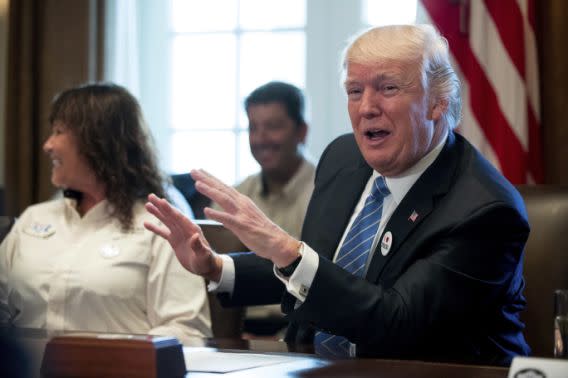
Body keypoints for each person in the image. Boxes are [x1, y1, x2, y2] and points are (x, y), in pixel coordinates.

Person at [144, 25, 530, 365]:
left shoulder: (484, 211)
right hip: (312, 364)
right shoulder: (344, 158)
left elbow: (395, 323)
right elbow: (321, 268)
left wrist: (287, 250)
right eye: (355, 90)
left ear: (437, 102)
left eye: (388, 88)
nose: (366, 108)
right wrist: (215, 266)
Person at [0, 83, 211, 342]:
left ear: (97, 142)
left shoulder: (159, 228)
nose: (48, 145)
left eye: (59, 132)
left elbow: (186, 332)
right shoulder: (34, 219)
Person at [213, 81, 316, 336]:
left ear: (301, 131)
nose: (260, 139)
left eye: (273, 127)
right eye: (253, 128)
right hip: (235, 334)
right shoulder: (235, 196)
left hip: (302, 336)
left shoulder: (325, 192)